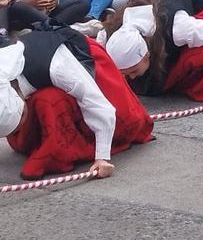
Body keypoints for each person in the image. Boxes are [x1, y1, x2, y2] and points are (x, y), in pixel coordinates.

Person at [4, 28, 154, 180]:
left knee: (125, 119)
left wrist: (102, 158)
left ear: (22, 105)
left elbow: (100, 107)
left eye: (21, 121)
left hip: (80, 54)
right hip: (41, 65)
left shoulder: (61, 70)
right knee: (45, 102)